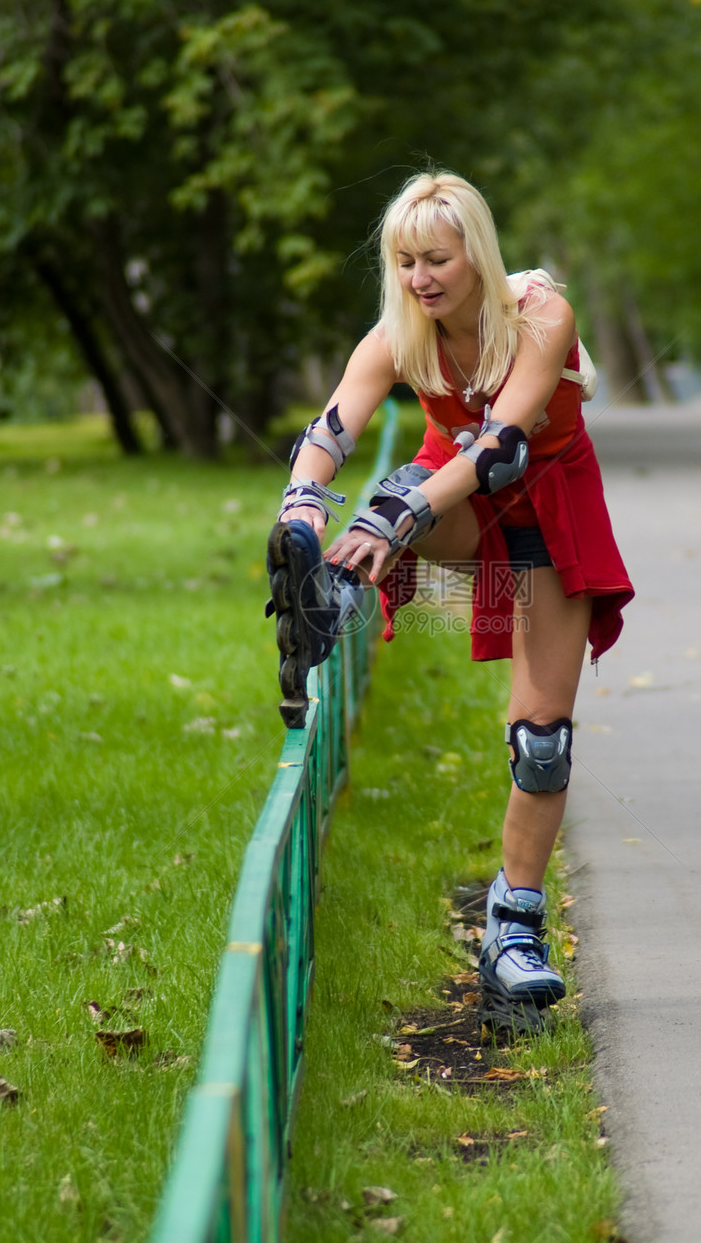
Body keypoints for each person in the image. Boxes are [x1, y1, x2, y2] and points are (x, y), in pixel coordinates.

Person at [266, 170, 633, 1030]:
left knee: (542, 741)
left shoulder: (540, 315)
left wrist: (391, 520)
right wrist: (302, 509)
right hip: (453, 503)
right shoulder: (397, 334)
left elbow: (502, 447)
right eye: (404, 262)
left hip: (541, 499)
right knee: (399, 492)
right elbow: (331, 427)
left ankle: (513, 934)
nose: (420, 278)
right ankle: (323, 593)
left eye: (436, 258)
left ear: (478, 253)